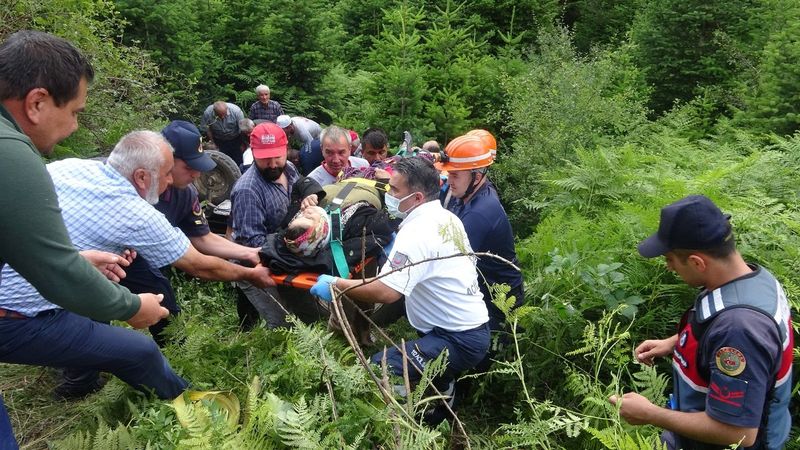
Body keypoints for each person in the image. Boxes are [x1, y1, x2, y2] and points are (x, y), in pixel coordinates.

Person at [0, 32, 181, 435]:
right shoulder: (12, 153)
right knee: (137, 347)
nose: (75, 126)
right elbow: (57, 273)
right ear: (37, 102)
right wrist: (135, 308)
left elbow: (25, 248)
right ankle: (191, 413)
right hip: (12, 314)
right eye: (76, 111)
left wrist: (76, 260)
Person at [310, 157, 490, 420]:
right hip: (463, 329)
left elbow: (386, 292)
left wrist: (337, 285)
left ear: (416, 198)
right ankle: (439, 404)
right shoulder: (446, 218)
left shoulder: (418, 232)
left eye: (395, 190)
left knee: (379, 370)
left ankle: (398, 421)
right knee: (431, 371)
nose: (388, 195)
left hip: (457, 339)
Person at [609, 195, 793, 450]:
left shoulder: (740, 329)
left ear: (697, 262)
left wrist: (650, 414)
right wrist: (677, 342)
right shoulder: (755, 280)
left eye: (670, 259)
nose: (668, 267)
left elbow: (738, 433)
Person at [119, 121, 263, 346]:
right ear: (164, 160)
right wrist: (248, 275)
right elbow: (196, 265)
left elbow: (203, 237)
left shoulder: (185, 194)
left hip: (149, 261)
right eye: (188, 167)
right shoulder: (134, 190)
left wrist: (250, 252)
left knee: (161, 295)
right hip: (109, 255)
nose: (196, 174)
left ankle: (175, 352)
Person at [230, 122, 325, 328]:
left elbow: (299, 188)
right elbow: (252, 243)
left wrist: (308, 195)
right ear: (252, 152)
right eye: (265, 158)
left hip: (287, 253)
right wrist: (294, 245)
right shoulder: (248, 191)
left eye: (277, 156)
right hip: (258, 264)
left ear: (286, 149)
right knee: (284, 323)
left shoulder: (289, 168)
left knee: (307, 311)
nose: (273, 164)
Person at [440, 133, 523, 334]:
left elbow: (447, 258)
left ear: (477, 176)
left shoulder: (481, 211)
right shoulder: (467, 196)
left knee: (486, 359)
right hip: (484, 289)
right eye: (449, 174)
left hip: (498, 301)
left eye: (455, 175)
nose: (449, 181)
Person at [200, 101, 245, 166]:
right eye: (219, 115)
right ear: (214, 111)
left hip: (235, 139)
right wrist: (213, 142)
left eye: (224, 114)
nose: (223, 117)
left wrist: (242, 144)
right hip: (219, 140)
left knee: (238, 161)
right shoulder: (208, 113)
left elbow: (242, 129)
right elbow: (207, 129)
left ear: (227, 109)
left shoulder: (236, 111)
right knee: (222, 162)